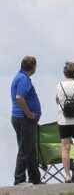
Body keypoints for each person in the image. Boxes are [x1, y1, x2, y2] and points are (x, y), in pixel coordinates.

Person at [10, 56, 41, 185]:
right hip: (24, 119)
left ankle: (35, 178)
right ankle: (19, 179)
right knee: (24, 150)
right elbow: (19, 97)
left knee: (30, 149)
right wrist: (29, 114)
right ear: (33, 67)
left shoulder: (20, 77)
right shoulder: (23, 79)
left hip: (20, 118)